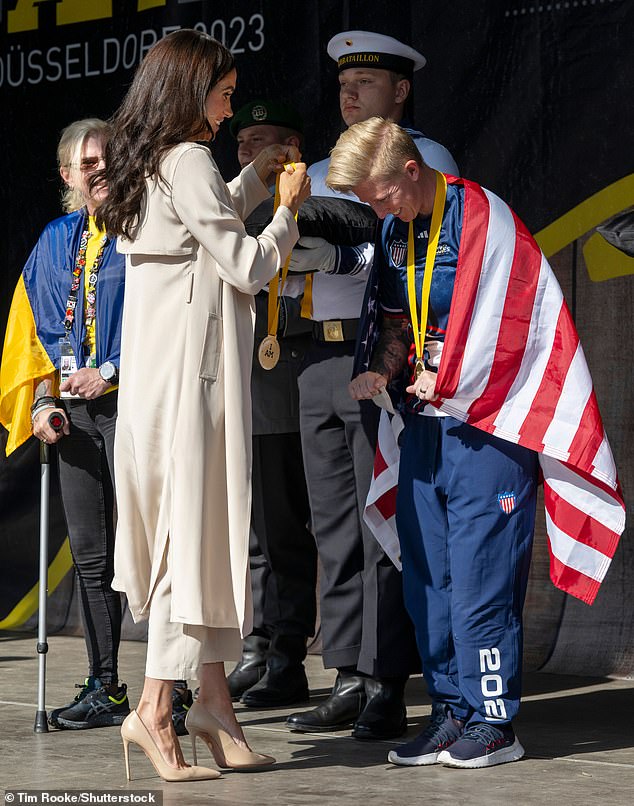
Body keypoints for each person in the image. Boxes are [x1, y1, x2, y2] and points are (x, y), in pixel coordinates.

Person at [327, 117, 624, 768]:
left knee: (479, 582)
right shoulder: (394, 228)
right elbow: (399, 317)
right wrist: (386, 365)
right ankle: (450, 713)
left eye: (380, 196)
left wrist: (453, 376)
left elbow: (517, 324)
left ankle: (495, 721)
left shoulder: (486, 219)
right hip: (425, 425)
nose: (376, 211)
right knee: (427, 581)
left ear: (411, 171)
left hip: (489, 428)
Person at [97, 29, 310, 782]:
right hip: (193, 386)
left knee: (200, 537)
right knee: (193, 540)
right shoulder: (186, 159)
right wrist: (283, 208)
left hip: (164, 385)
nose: (227, 112)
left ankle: (212, 704)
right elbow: (246, 263)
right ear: (193, 90)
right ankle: (156, 707)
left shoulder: (156, 162)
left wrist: (251, 180)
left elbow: (201, 222)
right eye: (223, 94)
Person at [284, 31, 459, 741]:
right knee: (333, 528)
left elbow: (410, 244)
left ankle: (387, 677)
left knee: (380, 518)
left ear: (401, 91)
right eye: (344, 82)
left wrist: (340, 249)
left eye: (367, 82)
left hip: (380, 355)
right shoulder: (320, 166)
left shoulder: (424, 158)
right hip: (317, 357)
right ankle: (348, 673)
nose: (350, 92)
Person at [0, 119, 129, 730]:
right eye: (87, 163)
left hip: (138, 405)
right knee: (91, 556)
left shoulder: (142, 228)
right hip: (75, 417)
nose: (98, 170)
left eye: (106, 159)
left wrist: (114, 369)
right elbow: (33, 341)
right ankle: (106, 686)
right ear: (67, 175)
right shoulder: (54, 240)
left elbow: (173, 321)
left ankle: (177, 688)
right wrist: (41, 404)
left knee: (154, 552)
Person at [225, 100, 317, 709]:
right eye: (243, 143)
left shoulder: (305, 193)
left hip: (289, 364)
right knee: (251, 527)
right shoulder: (231, 198)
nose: (253, 152)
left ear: (293, 144)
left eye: (266, 140)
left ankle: (288, 653)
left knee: (284, 525)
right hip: (243, 376)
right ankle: (255, 644)